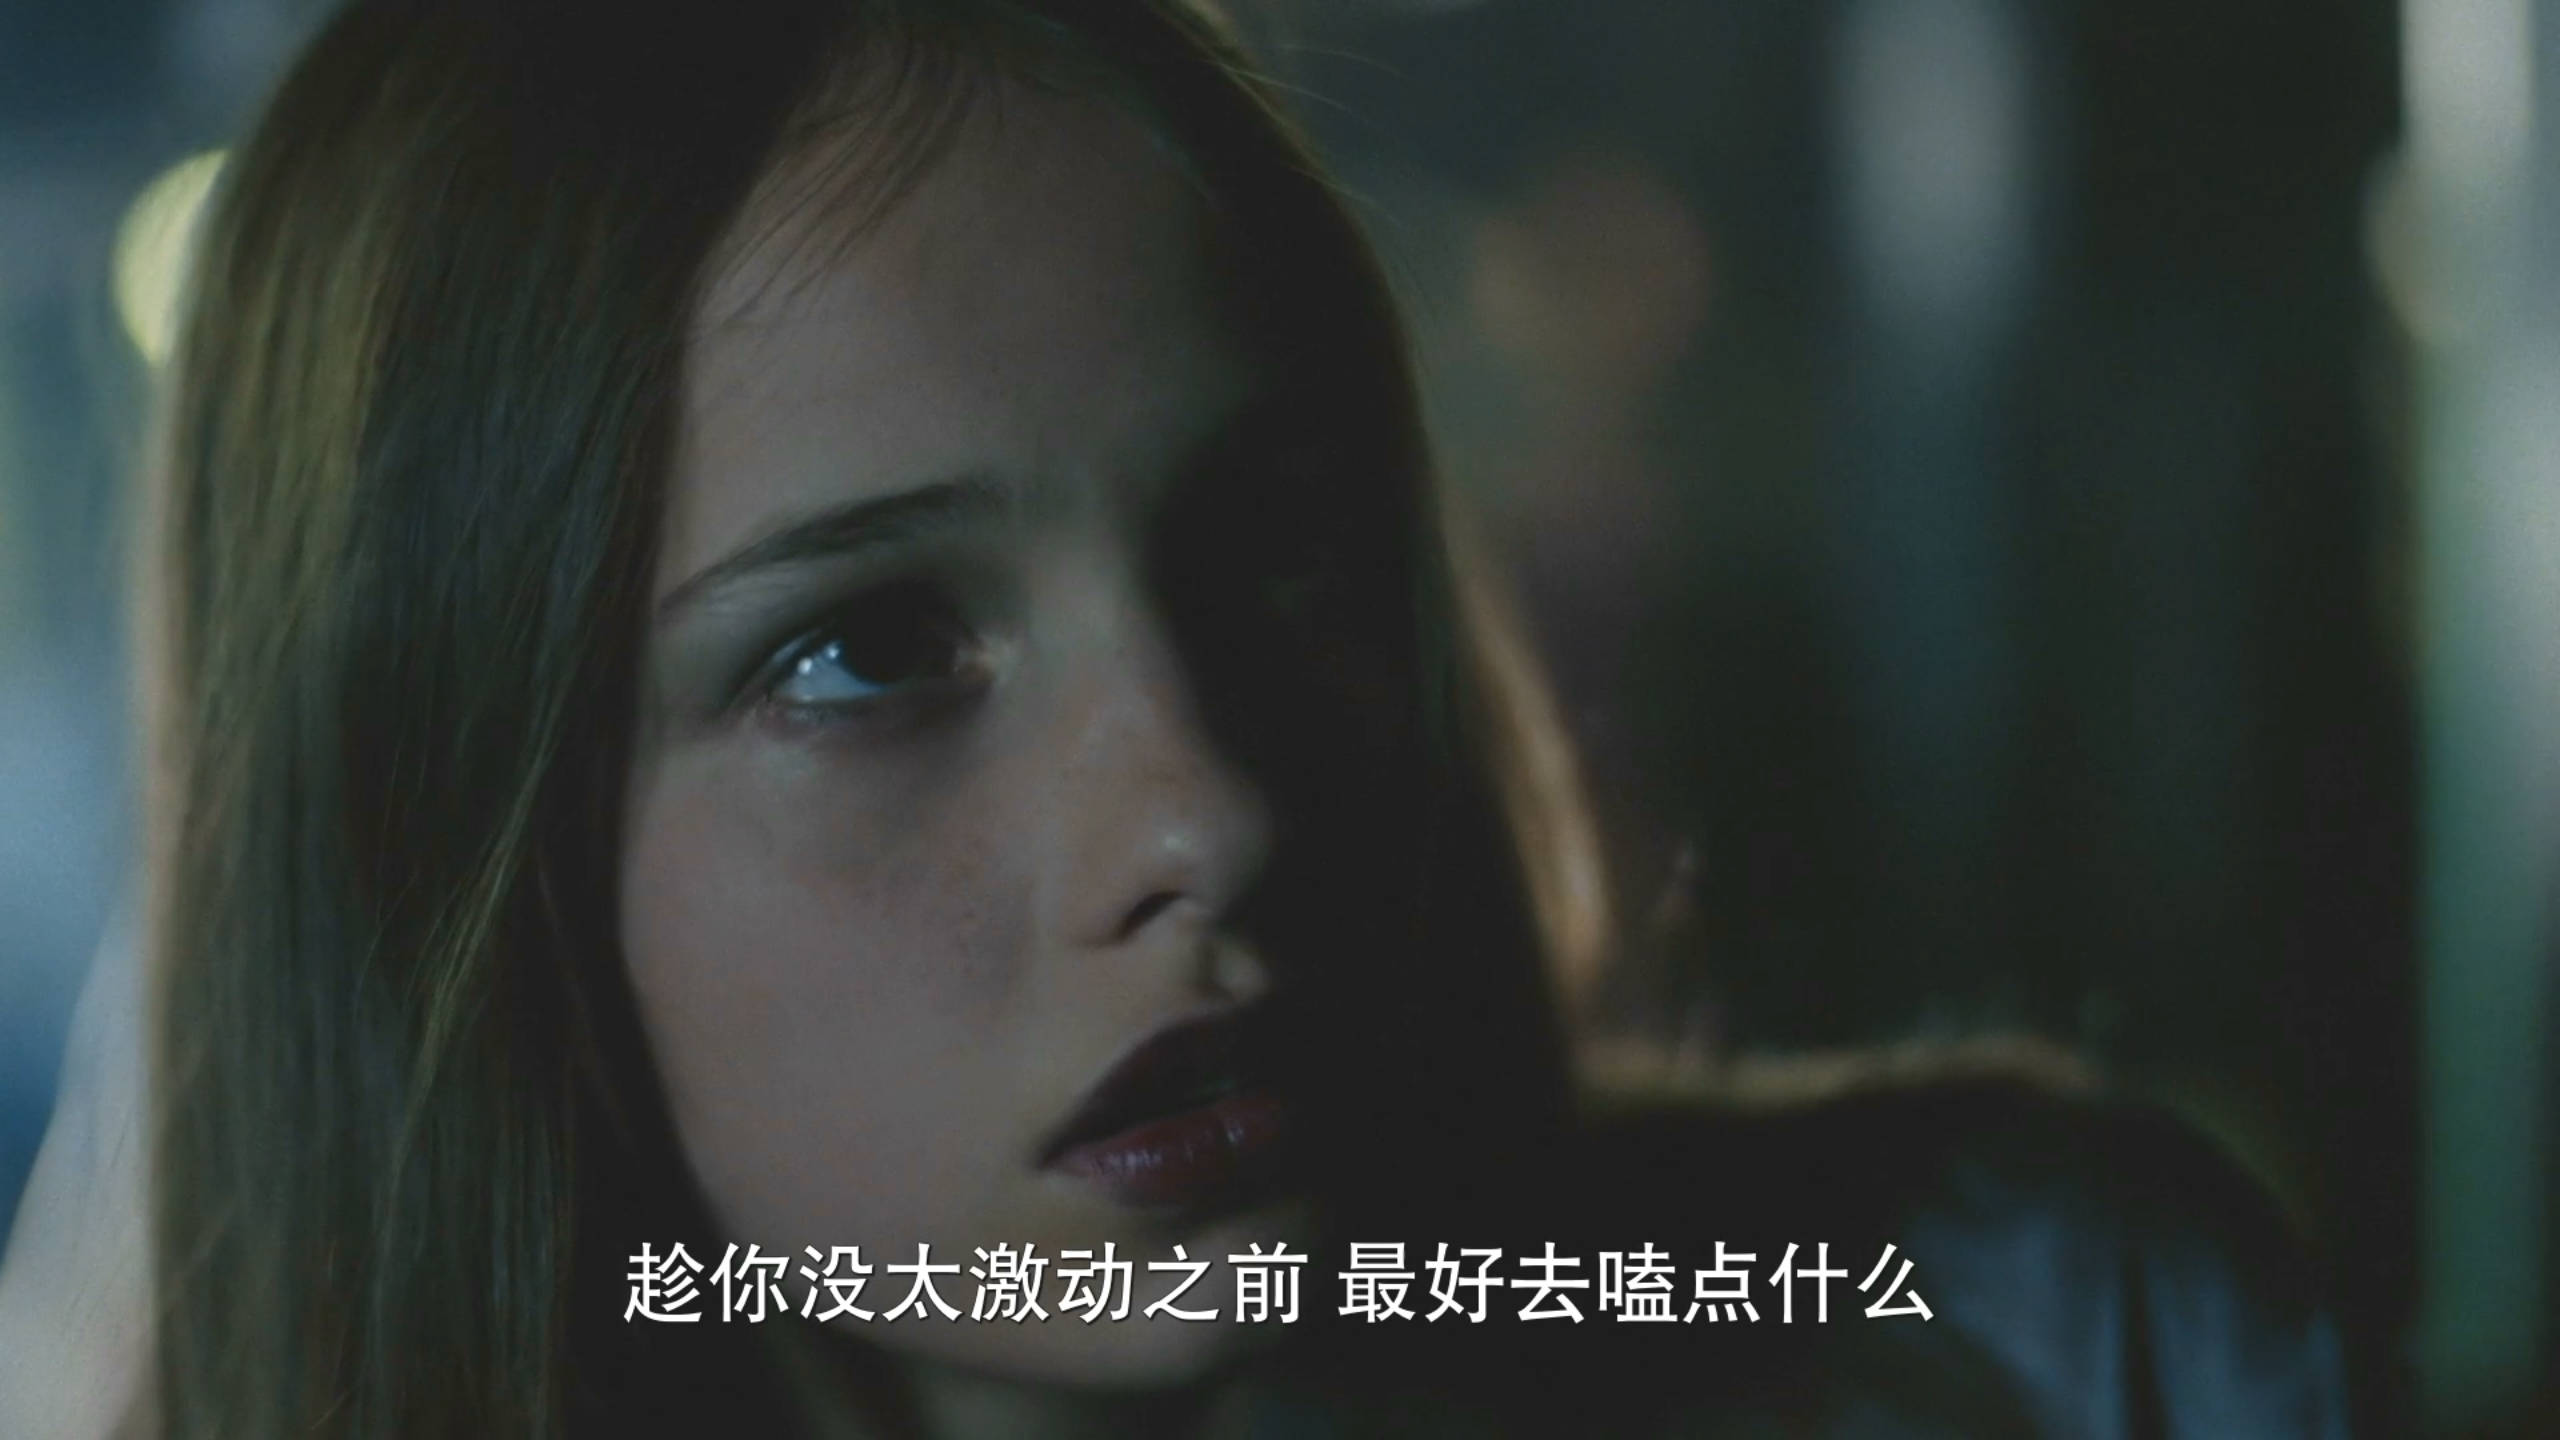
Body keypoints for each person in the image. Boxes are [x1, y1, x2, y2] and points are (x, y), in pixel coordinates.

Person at [0, 1, 2351, 1435]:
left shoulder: (2037, 1335)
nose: (1209, 807)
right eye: (863, 651)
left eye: (1280, 545)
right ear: (450, 841)